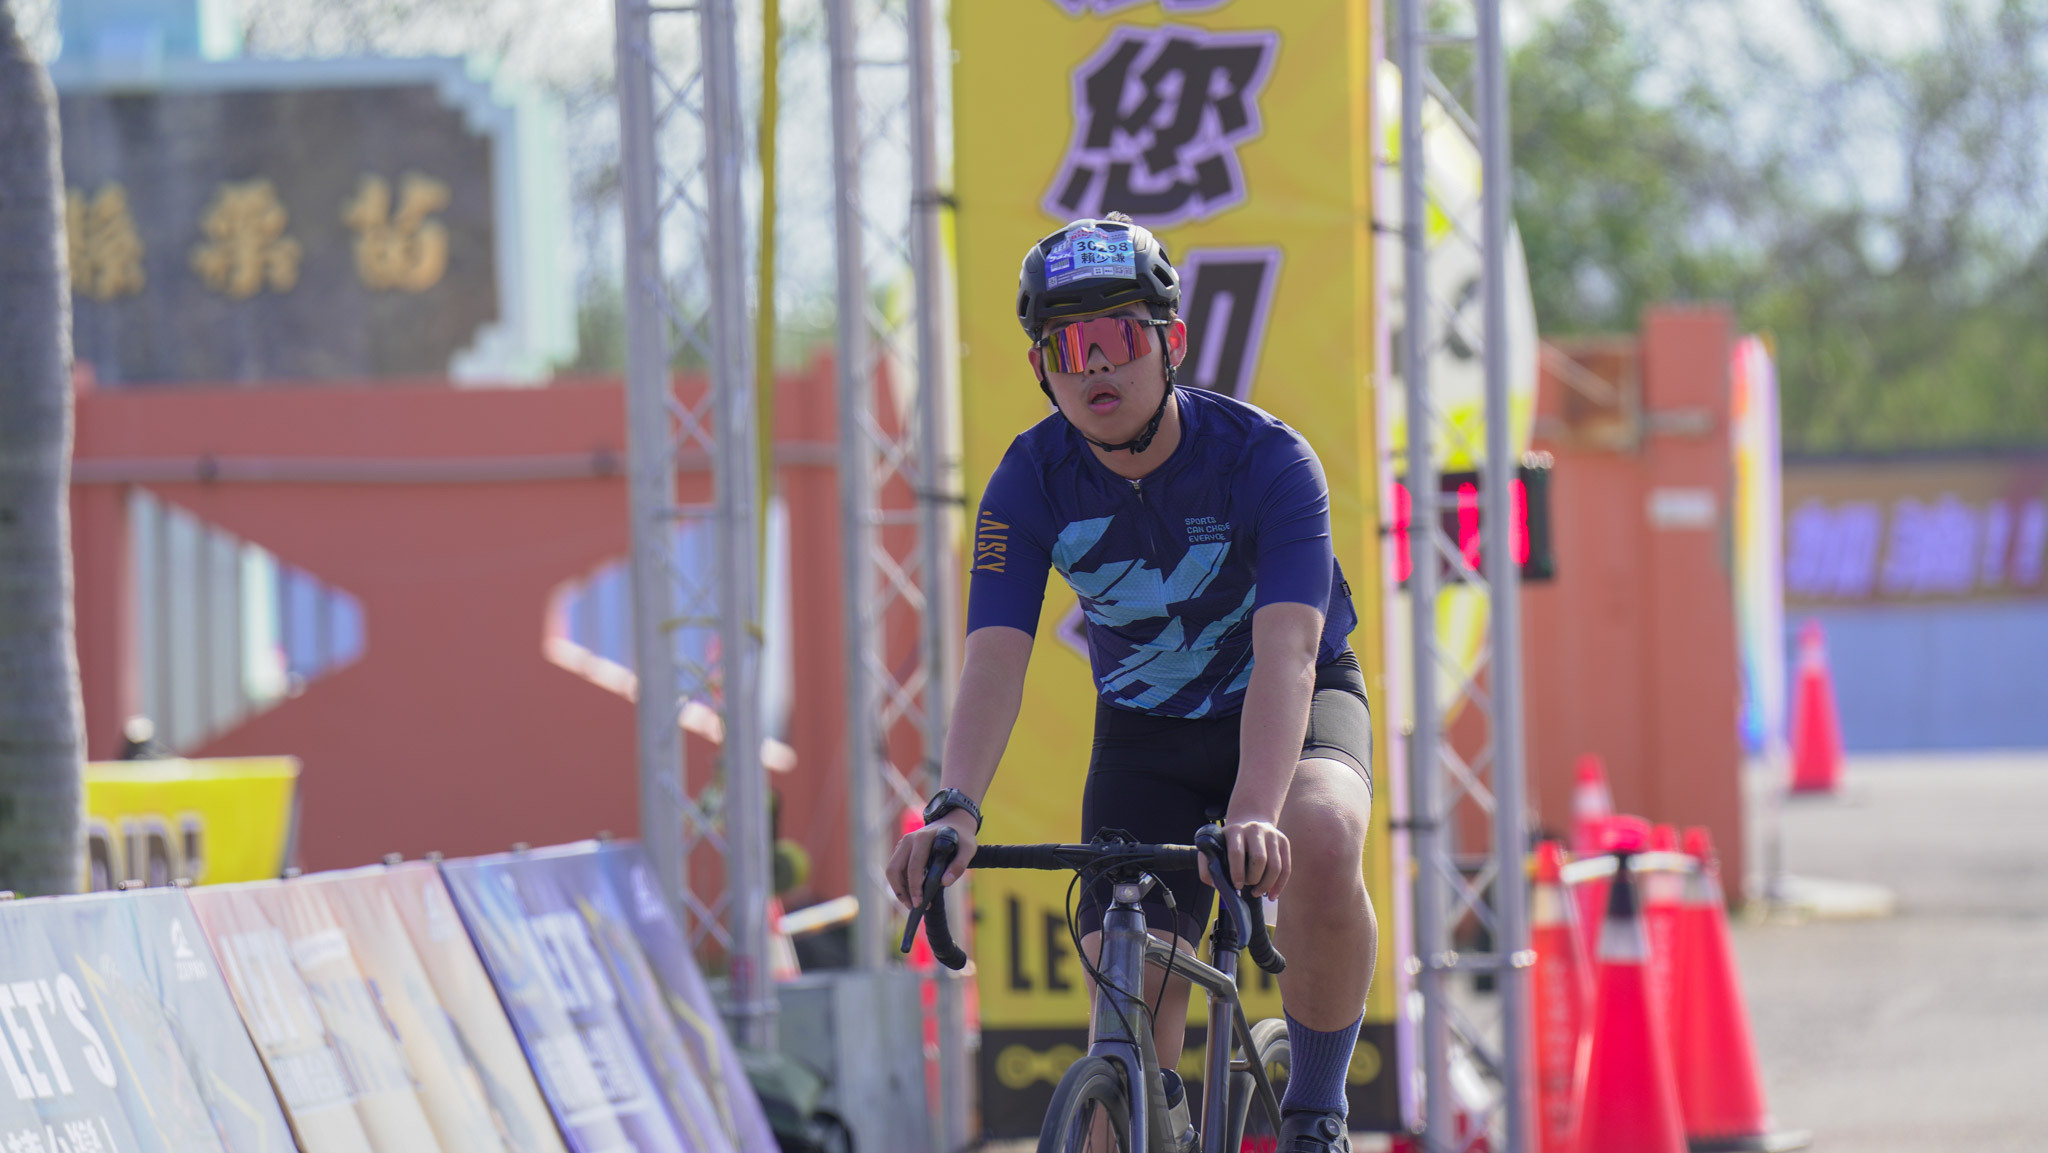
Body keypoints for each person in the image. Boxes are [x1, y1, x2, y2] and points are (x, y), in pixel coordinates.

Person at [886, 214, 1377, 1152]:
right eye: (1066, 348)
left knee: (1318, 833)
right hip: (1148, 732)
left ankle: (1316, 1115)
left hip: (1290, 701)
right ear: (1041, 371)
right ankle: (1148, 1108)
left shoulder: (1269, 460)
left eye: (1116, 336)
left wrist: (1255, 810)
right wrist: (954, 808)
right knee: (1126, 1003)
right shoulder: (1028, 482)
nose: (1094, 367)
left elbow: (1288, 651)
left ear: (1171, 342)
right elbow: (994, 658)